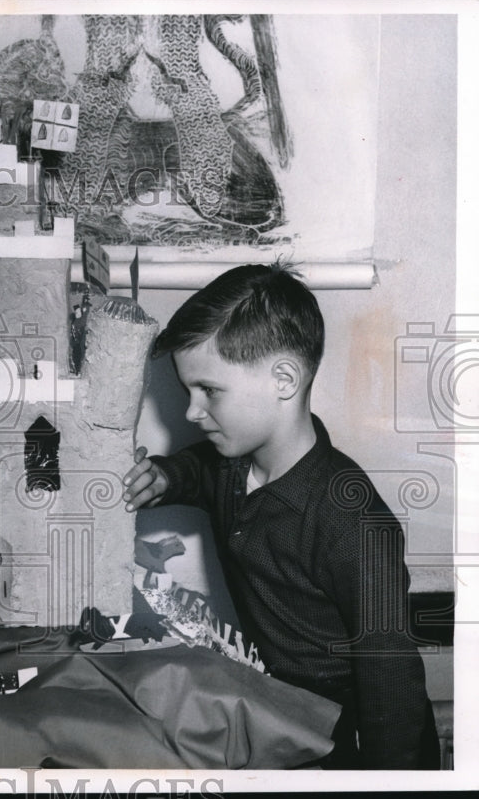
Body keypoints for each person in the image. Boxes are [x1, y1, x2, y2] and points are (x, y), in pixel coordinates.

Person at [122, 263, 439, 769]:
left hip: (356, 738)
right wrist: (165, 476)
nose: (191, 413)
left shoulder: (354, 523)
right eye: (187, 393)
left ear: (284, 380)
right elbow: (201, 472)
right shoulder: (232, 463)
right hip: (282, 712)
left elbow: (391, 682)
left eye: (209, 391)